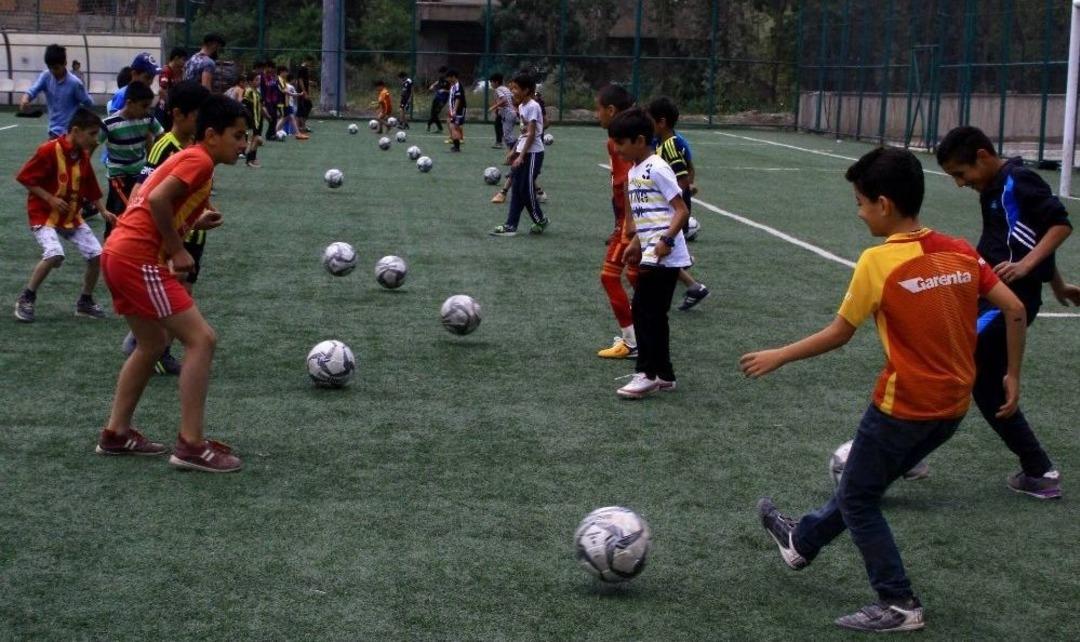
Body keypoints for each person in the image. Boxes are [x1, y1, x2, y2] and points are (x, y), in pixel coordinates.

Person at [744, 147, 1027, 633]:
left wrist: (779, 355)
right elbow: (1015, 308)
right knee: (863, 483)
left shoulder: (878, 262)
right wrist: (1012, 374)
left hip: (902, 406)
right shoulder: (961, 249)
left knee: (858, 499)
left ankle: (898, 603)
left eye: (859, 202)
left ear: (884, 204)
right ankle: (801, 541)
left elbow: (839, 333)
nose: (858, 212)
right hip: (954, 407)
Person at [96, 95, 248, 472]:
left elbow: (142, 198)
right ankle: (191, 445)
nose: (243, 145)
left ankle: (115, 433)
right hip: (137, 258)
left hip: (117, 253)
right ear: (211, 135)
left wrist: (193, 222)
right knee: (202, 339)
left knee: (152, 343)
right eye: (238, 136)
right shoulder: (198, 160)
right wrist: (179, 250)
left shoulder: (187, 157)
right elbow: (158, 200)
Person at [935, 126, 1072, 499]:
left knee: (957, 364)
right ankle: (1038, 470)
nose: (961, 184)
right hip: (991, 294)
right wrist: (1058, 283)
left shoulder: (1019, 180)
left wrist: (1029, 268)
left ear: (982, 156)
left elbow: (1059, 225)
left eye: (961, 175)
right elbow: (1030, 233)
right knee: (980, 380)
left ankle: (902, 454)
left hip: (1011, 299)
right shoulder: (993, 188)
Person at [125, 80, 213, 375]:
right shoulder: (165, 146)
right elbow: (143, 188)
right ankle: (156, 349)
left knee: (183, 292)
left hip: (192, 230)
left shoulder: (194, 147)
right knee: (179, 296)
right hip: (171, 236)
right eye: (199, 116)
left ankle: (146, 342)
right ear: (178, 114)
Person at [604, 107, 690, 398]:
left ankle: (646, 374)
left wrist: (666, 239)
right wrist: (635, 244)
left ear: (640, 140)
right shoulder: (637, 170)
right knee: (654, 314)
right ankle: (664, 374)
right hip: (651, 251)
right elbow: (649, 216)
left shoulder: (657, 167)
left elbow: (681, 210)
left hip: (664, 256)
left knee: (644, 313)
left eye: (621, 143)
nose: (617, 149)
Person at [14, 108, 114, 323]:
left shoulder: (82, 156)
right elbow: (25, 178)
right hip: (43, 214)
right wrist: (49, 199)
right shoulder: (48, 150)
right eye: (92, 134)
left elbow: (90, 186)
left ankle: (85, 301)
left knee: (98, 255)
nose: (96, 139)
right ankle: (26, 297)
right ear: (76, 131)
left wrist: (103, 210)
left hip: (70, 215)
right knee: (54, 254)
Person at [647, 97, 710, 311]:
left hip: (673, 211)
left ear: (661, 122)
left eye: (650, 120)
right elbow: (688, 169)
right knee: (659, 254)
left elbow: (682, 176)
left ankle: (653, 297)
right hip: (674, 207)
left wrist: (679, 192)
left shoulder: (671, 144)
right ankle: (693, 286)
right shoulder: (666, 142)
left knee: (656, 253)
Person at [594, 84, 639, 359]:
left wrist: (627, 225)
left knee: (613, 278)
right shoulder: (623, 136)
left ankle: (633, 340)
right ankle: (638, 337)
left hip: (632, 220)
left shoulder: (616, 140)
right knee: (630, 277)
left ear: (611, 110)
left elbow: (626, 183)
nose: (595, 114)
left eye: (598, 109)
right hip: (629, 219)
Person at [100, 81, 164, 237]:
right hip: (118, 176)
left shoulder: (147, 119)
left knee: (127, 208)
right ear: (129, 103)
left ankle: (111, 240)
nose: (147, 110)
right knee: (125, 210)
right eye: (144, 106)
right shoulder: (109, 124)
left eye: (149, 106)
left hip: (140, 174)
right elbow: (92, 144)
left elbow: (162, 137)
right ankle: (115, 244)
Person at [489, 72, 548, 236]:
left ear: (526, 90)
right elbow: (523, 134)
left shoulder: (533, 107)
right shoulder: (522, 107)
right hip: (523, 151)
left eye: (515, 88)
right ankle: (510, 225)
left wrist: (521, 156)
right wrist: (514, 151)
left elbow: (532, 134)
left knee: (526, 189)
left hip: (534, 154)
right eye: (512, 87)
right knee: (517, 188)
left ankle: (540, 220)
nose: (512, 91)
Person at [19, 44, 93, 139]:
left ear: (65, 63)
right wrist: (25, 99)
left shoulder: (75, 83)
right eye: (50, 68)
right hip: (53, 130)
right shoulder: (46, 76)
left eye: (56, 68)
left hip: (70, 133)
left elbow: (88, 102)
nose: (53, 71)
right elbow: (33, 90)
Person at [155, 47, 188, 131]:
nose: (184, 63)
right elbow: (162, 91)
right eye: (183, 60)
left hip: (173, 108)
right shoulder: (166, 71)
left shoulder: (180, 71)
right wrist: (169, 105)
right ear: (176, 58)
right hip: (165, 109)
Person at [241, 72, 265, 168]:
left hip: (259, 120)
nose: (258, 82)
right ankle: (249, 159)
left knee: (256, 139)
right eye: (256, 80)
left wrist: (267, 115)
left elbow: (261, 106)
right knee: (256, 139)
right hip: (253, 120)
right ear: (250, 81)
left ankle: (252, 158)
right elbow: (244, 105)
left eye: (259, 80)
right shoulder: (248, 91)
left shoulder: (258, 93)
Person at [446, 69, 466, 152]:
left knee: (454, 127)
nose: (448, 80)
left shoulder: (458, 86)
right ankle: (456, 145)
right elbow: (452, 99)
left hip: (459, 110)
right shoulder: (453, 86)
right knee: (453, 126)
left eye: (449, 78)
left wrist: (454, 110)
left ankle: (457, 147)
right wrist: (450, 108)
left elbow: (458, 99)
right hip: (454, 110)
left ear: (453, 77)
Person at [427, 66, 449, 132]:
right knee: (432, 113)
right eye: (440, 73)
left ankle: (429, 124)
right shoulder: (441, 78)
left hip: (443, 100)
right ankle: (439, 128)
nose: (440, 74)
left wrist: (444, 90)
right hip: (437, 97)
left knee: (435, 113)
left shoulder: (449, 80)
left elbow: (452, 91)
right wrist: (433, 85)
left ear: (445, 73)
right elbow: (438, 82)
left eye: (442, 73)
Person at [296, 60, 314, 134]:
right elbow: (300, 80)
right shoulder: (302, 69)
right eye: (311, 63)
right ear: (307, 61)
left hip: (304, 91)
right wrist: (304, 92)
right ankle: (299, 127)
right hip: (302, 92)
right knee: (302, 108)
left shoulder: (306, 69)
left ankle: (302, 125)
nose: (311, 65)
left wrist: (309, 82)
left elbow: (304, 80)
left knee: (308, 106)